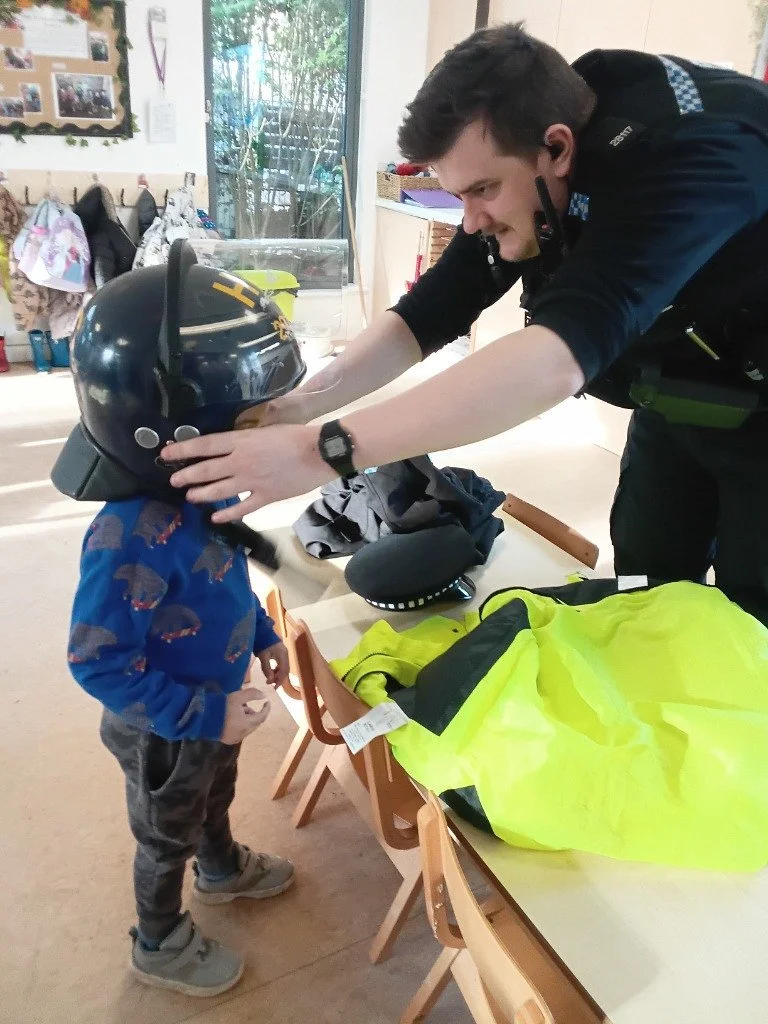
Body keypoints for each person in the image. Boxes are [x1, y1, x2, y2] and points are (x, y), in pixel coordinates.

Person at [162, 24, 768, 627]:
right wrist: (299, 407)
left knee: (751, 616)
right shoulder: (534, 135)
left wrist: (322, 451)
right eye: (459, 196)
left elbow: (556, 359)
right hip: (683, 390)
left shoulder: (693, 157)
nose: (472, 221)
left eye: (483, 190)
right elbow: (431, 310)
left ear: (557, 149)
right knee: (649, 574)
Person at [55, 242, 308, 997]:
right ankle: (158, 941)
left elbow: (226, 574)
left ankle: (223, 867)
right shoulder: (126, 536)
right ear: (177, 435)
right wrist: (202, 712)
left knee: (214, 794)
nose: (268, 431)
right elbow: (95, 661)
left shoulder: (205, 488)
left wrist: (262, 638)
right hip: (162, 726)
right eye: (255, 418)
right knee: (164, 833)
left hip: (213, 707)